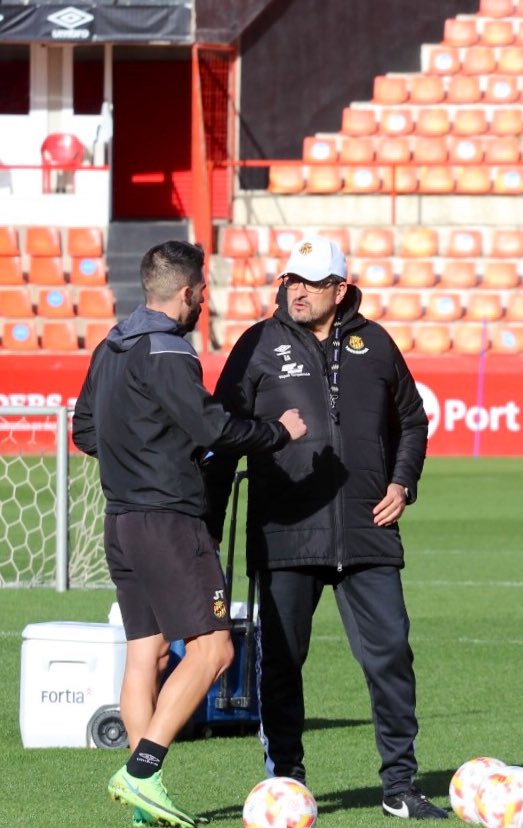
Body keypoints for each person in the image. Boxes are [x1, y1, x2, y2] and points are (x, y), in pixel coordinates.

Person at [203, 236, 447, 819]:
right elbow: (222, 434)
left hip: (368, 532)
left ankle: (400, 787)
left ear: (340, 288)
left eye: (311, 282)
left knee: (390, 657)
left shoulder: (378, 343)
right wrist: (206, 530)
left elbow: (412, 421)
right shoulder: (258, 344)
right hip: (286, 533)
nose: (297, 291)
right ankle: (286, 784)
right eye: (292, 280)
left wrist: (402, 482)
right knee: (282, 664)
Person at [72, 240, 307, 828]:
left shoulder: (110, 344)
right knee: (214, 649)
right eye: (203, 290)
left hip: (120, 521)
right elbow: (212, 426)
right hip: (169, 522)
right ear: (187, 293)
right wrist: (277, 432)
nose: (205, 298)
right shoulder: (169, 349)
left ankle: (141, 802)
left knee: (144, 655)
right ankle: (143, 772)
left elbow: (84, 430)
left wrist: (139, 458)